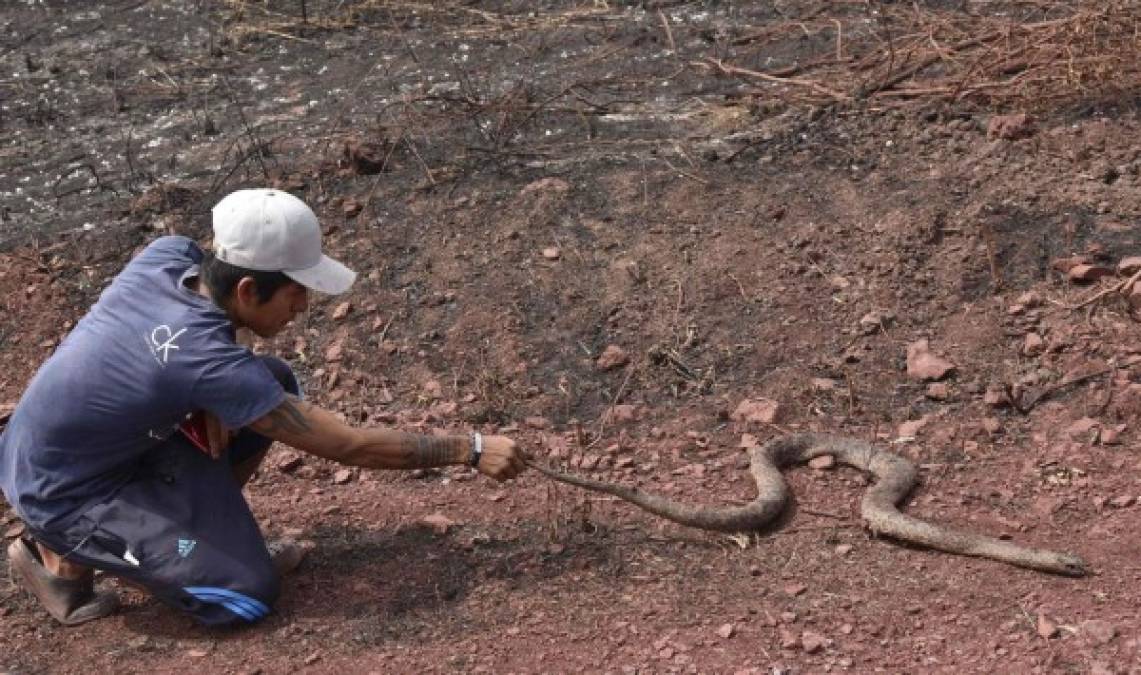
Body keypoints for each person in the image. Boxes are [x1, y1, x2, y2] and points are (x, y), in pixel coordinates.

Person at [0, 188, 527, 627]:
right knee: (244, 596)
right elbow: (348, 444)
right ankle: (59, 556)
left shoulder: (169, 256)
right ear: (248, 288)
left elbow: (182, 351)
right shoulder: (202, 362)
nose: (304, 307)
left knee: (268, 381)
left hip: (83, 446)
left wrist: (200, 393)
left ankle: (201, 538)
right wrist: (471, 448)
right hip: (63, 490)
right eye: (296, 293)